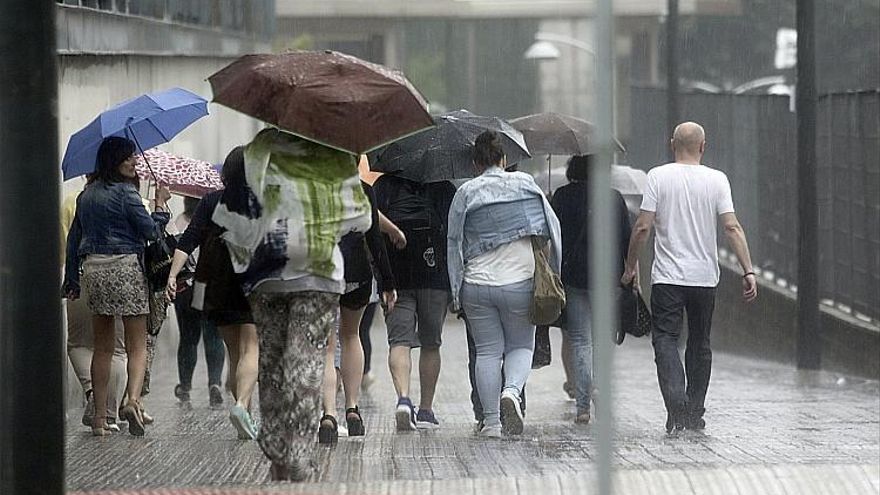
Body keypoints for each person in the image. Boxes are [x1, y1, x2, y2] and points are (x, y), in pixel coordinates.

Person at [214, 129, 371, 481]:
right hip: (317, 272)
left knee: (271, 362)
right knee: (305, 364)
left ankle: (276, 450)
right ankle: (297, 453)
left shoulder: (260, 150)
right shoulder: (336, 157)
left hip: (266, 272)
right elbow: (361, 219)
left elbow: (234, 211)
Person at [621, 122, 758, 434]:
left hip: (668, 278)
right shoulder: (717, 180)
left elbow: (643, 227)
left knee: (665, 339)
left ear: (672, 144)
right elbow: (731, 227)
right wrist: (748, 269)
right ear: (703, 146)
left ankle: (677, 405)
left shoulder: (658, 176)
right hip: (704, 278)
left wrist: (630, 268)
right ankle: (693, 411)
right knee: (700, 342)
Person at [447, 130, 562, 438]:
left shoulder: (466, 193)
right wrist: (553, 271)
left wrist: (456, 291)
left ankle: (492, 423)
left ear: (474, 163)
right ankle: (512, 391)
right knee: (522, 345)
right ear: (504, 159)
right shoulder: (526, 185)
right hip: (519, 282)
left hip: (477, 285)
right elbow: (551, 230)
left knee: (487, 352)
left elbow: (454, 242)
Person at [63, 136, 171, 436]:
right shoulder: (127, 194)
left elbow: (74, 242)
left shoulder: (86, 196)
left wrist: (71, 280)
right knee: (137, 346)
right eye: (128, 157)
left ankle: (99, 418)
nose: (134, 161)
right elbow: (150, 231)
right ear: (114, 160)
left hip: (94, 272)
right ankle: (132, 402)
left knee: (103, 347)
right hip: (125, 269)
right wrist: (161, 206)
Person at [166, 148, 260, 440]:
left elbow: (188, 240)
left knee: (235, 353)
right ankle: (242, 406)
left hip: (217, 283)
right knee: (251, 349)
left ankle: (242, 409)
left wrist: (171, 275)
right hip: (251, 282)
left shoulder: (209, 201)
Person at [551, 154, 632, 424]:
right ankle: (598, 387)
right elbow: (626, 240)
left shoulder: (562, 196)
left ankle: (583, 408)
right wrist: (631, 274)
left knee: (580, 340)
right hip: (607, 277)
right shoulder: (614, 198)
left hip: (573, 276)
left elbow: (552, 235)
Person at [372, 173, 455, 430]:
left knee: (399, 341)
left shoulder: (384, 186)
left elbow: (372, 229)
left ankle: (404, 400)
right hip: (435, 276)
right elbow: (453, 236)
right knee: (431, 343)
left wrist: (381, 276)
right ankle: (427, 410)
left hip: (396, 276)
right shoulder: (443, 187)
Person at [319, 180, 397, 443]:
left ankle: (329, 414)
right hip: (357, 271)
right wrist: (388, 281)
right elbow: (374, 238)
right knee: (351, 336)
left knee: (327, 346)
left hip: (322, 271)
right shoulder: (363, 189)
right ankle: (352, 409)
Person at [62, 185, 128, 433]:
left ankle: (92, 392)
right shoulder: (132, 199)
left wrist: (70, 279)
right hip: (120, 278)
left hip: (83, 274)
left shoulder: (77, 200)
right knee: (118, 350)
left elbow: (68, 243)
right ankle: (108, 412)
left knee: (78, 344)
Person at [168, 196, 226, 407]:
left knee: (188, 338)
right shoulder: (215, 217)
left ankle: (185, 386)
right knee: (213, 334)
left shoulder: (176, 224)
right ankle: (215, 383)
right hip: (206, 284)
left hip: (184, 287)